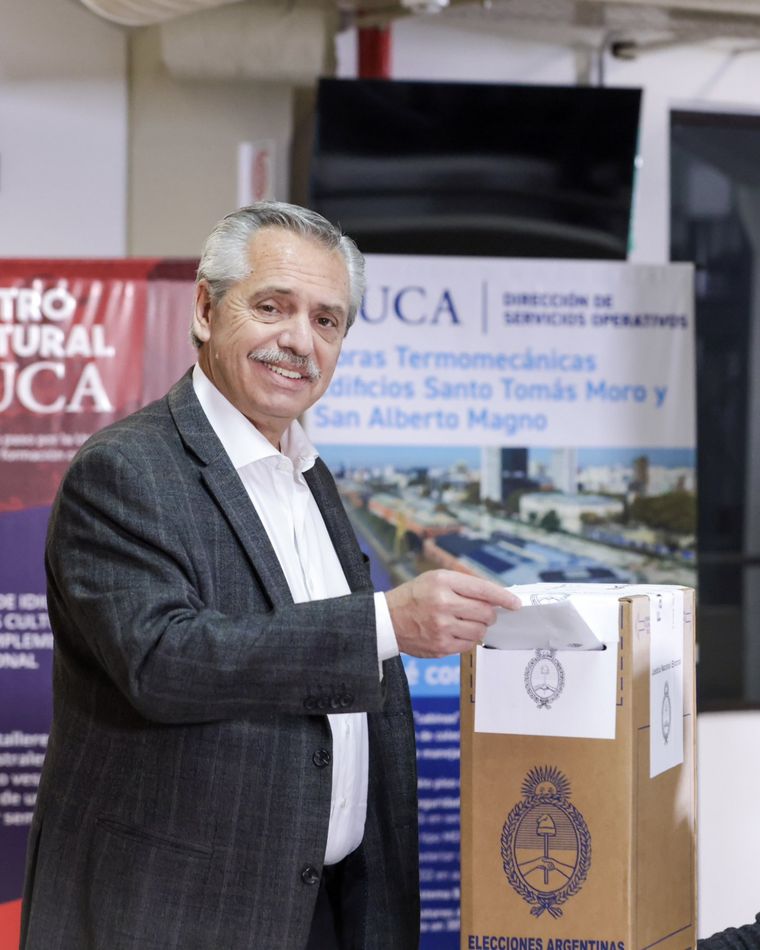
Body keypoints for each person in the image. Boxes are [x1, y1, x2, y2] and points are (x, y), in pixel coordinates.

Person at [20, 201, 520, 950]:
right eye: (272, 307)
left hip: (327, 908)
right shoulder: (124, 469)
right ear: (204, 308)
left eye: (327, 321)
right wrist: (386, 624)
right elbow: (164, 661)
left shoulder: (308, 473)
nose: (300, 342)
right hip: (180, 915)